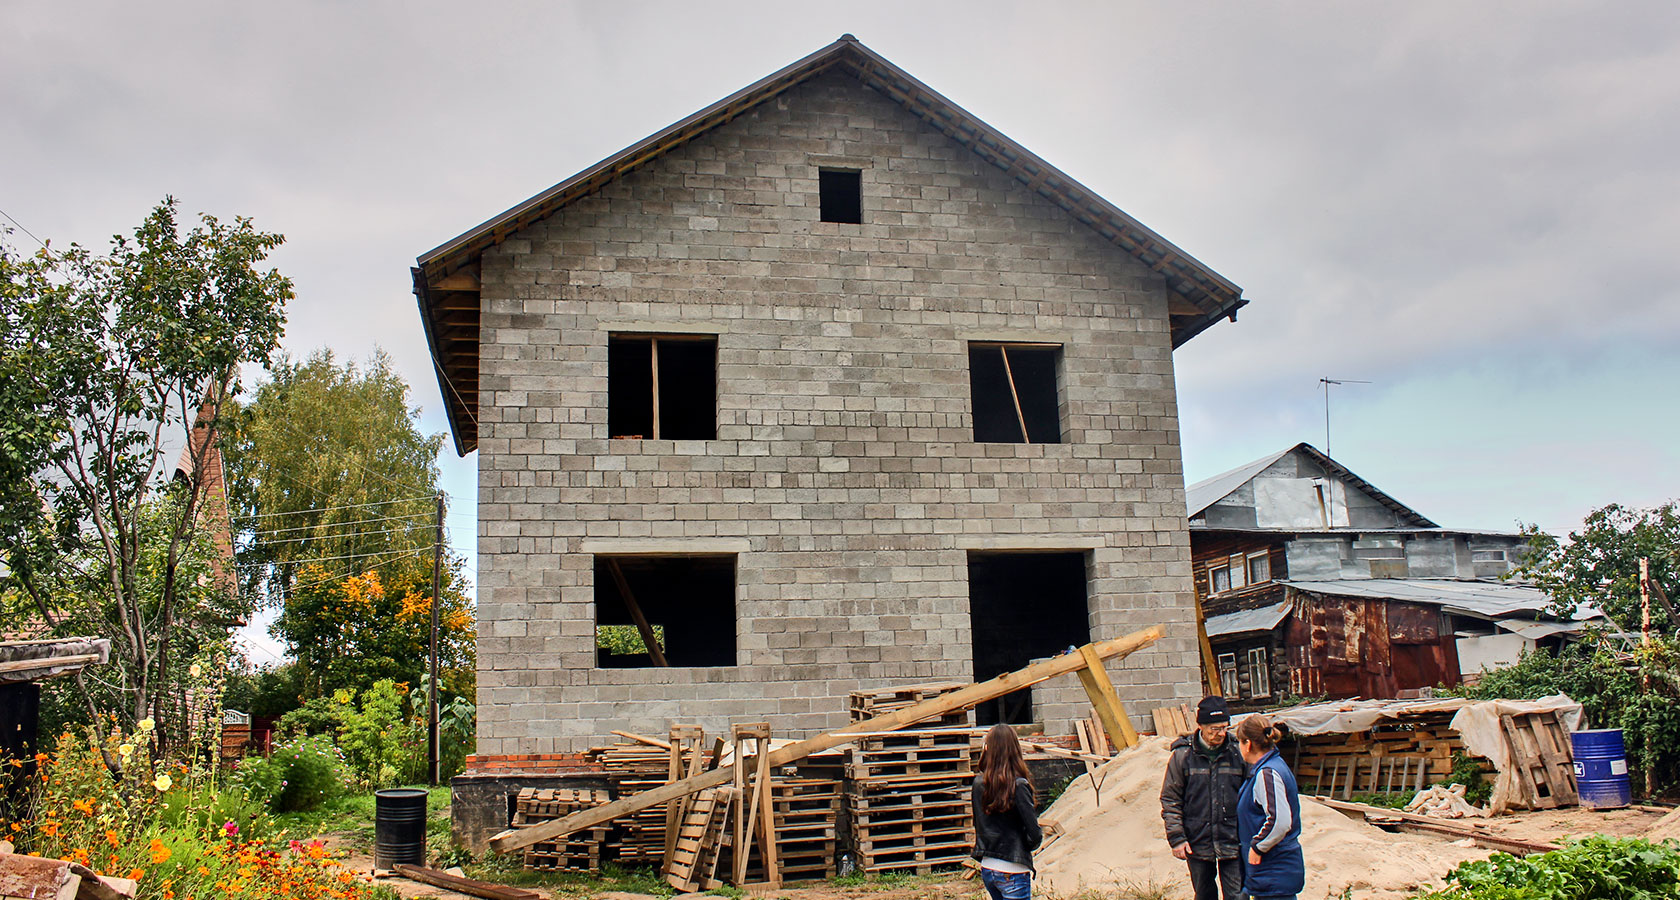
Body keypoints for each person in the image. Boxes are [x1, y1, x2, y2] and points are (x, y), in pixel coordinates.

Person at [1160, 696, 1247, 900]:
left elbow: (1251, 796)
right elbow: (1171, 800)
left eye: (1224, 728)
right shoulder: (1183, 756)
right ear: (1200, 726)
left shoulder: (1237, 752)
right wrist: (1177, 838)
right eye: (1214, 729)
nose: (1220, 734)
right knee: (1204, 894)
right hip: (1197, 840)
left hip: (1233, 839)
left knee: (1237, 895)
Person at [1235, 713, 1306, 900]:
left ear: (1248, 743)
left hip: (1274, 869)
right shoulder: (1272, 766)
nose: (1239, 748)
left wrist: (1257, 846)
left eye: (1240, 742)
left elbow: (1280, 821)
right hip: (1271, 872)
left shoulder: (1267, 773)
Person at [971, 723, 1043, 900]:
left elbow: (979, 824)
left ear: (987, 749)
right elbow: (1035, 833)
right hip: (1013, 869)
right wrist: (1024, 846)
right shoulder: (1019, 786)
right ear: (1015, 750)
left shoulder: (978, 784)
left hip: (988, 866)